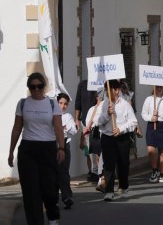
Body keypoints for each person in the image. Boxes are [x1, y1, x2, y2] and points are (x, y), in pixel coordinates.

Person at [8, 72, 65, 225]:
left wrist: (61, 148)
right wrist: (11, 152)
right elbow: (16, 128)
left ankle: (53, 217)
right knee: (31, 192)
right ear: (29, 88)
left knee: (50, 188)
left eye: (39, 86)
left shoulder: (52, 104)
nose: (36, 90)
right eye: (33, 87)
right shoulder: (23, 104)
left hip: (48, 148)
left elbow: (58, 128)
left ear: (44, 86)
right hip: (28, 149)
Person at [98, 80, 138, 201]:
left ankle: (123, 186)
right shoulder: (104, 104)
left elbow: (133, 122)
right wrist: (106, 114)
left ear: (117, 90)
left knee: (123, 163)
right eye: (106, 90)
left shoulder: (125, 104)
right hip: (107, 137)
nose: (108, 92)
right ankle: (109, 190)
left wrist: (121, 129)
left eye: (110, 90)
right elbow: (98, 123)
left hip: (122, 138)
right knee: (109, 164)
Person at [141, 85, 163, 183]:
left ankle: (162, 174)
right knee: (150, 150)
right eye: (157, 87)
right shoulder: (148, 99)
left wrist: (159, 114)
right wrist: (151, 118)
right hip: (152, 125)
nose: (159, 89)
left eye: (161, 87)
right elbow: (143, 113)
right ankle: (155, 170)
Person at [74, 80, 97, 182]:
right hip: (85, 122)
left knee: (97, 148)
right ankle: (92, 171)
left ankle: (99, 171)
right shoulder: (83, 84)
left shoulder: (103, 83)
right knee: (88, 149)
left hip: (98, 122)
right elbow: (78, 102)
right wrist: (77, 119)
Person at [56, 93, 77, 209]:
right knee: (54, 173)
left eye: (65, 104)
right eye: (61, 103)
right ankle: (54, 199)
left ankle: (67, 197)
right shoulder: (51, 114)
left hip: (65, 145)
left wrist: (66, 127)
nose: (63, 106)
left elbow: (74, 130)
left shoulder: (68, 116)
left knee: (64, 172)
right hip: (52, 146)